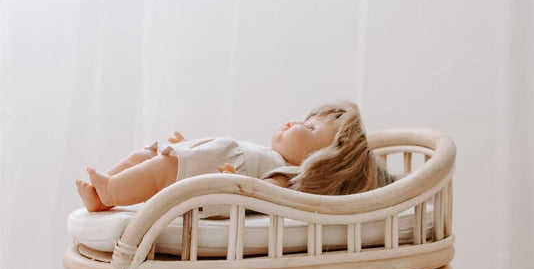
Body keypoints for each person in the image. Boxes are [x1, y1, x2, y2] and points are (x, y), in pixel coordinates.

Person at [76, 101, 378, 213]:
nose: (297, 122)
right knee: (149, 154)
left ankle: (112, 190)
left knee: (160, 170)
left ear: (319, 163)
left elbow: (266, 196)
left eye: (310, 128)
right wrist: (191, 147)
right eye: (306, 119)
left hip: (208, 184)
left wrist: (240, 186)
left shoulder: (287, 175)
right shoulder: (271, 155)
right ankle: (104, 194)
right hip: (200, 163)